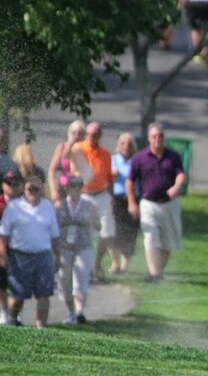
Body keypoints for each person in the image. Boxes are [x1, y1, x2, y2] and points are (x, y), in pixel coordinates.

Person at [126, 123, 186, 283]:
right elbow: (130, 181)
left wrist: (176, 186)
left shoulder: (173, 156)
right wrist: (132, 202)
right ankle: (154, 275)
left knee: (168, 243)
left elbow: (181, 174)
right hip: (148, 204)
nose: (158, 138)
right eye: (154, 136)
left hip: (169, 204)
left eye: (160, 136)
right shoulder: (140, 157)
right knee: (151, 237)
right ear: (149, 138)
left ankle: (157, 272)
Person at [0, 175, 61, 328]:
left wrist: (58, 256)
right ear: (24, 189)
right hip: (20, 256)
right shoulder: (14, 207)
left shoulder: (47, 207)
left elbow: (55, 235)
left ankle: (41, 328)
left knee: (44, 294)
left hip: (43, 255)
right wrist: (3, 255)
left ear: (41, 190)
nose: (32, 192)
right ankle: (11, 320)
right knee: (18, 294)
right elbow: (3, 234)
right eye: (29, 189)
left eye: (36, 189)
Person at [55, 176, 101, 324]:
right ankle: (70, 312)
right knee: (64, 279)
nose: (75, 190)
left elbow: (98, 226)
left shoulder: (89, 205)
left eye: (78, 187)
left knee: (81, 278)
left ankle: (80, 312)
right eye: (72, 187)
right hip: (64, 247)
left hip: (83, 246)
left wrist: (91, 221)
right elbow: (52, 227)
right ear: (67, 189)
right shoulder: (59, 205)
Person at [77, 122, 115, 284]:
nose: (90, 137)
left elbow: (109, 178)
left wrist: (111, 198)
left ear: (99, 136)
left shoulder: (105, 154)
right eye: (88, 134)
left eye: (94, 135)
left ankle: (97, 265)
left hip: (102, 195)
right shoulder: (79, 149)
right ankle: (86, 270)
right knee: (86, 234)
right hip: (84, 195)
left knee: (107, 233)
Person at [110, 133, 140, 274]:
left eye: (129, 144)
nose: (126, 147)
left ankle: (125, 264)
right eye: (122, 144)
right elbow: (107, 177)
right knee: (114, 230)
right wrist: (112, 174)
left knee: (130, 231)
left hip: (133, 198)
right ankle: (115, 262)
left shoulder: (137, 161)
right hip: (117, 198)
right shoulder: (114, 159)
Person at [47, 120, 91, 203]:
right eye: (74, 133)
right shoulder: (62, 147)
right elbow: (51, 170)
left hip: (81, 189)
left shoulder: (86, 150)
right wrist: (53, 191)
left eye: (80, 133)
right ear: (69, 133)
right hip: (63, 188)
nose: (77, 136)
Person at [0, 171, 23, 324]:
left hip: (19, 246)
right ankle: (3, 312)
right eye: (9, 184)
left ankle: (16, 313)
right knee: (2, 281)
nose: (12, 187)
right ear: (3, 185)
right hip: (2, 246)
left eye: (15, 184)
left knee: (20, 282)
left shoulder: (24, 203)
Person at [179, 0, 208, 64]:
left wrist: (180, 3)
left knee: (195, 29)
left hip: (193, 1)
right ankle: (205, 51)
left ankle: (197, 52)